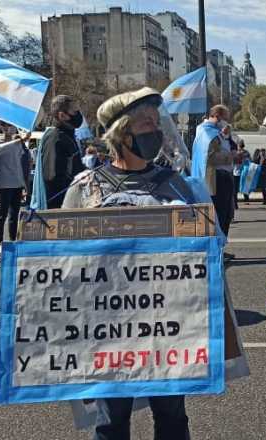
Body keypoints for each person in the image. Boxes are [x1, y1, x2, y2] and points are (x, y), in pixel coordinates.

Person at [61, 87, 194, 440]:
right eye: (146, 123)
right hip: (108, 325)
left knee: (172, 415)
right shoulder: (86, 189)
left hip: (166, 323)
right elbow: (64, 262)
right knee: (110, 419)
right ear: (122, 133)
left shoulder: (176, 186)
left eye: (156, 122)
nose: (156, 131)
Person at [39, 95, 85, 208]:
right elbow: (52, 176)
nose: (78, 115)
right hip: (60, 205)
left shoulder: (67, 136)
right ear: (62, 115)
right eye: (74, 111)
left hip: (71, 200)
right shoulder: (55, 138)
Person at [0, 123, 29, 249]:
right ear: (1, 128)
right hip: (4, 183)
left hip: (17, 183)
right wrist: (18, 141)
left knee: (14, 214)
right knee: (2, 214)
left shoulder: (18, 143)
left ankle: (13, 240)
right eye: (5, 126)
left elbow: (19, 165)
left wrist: (24, 184)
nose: (8, 128)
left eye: (11, 126)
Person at [202, 106, 237, 239]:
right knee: (220, 215)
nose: (227, 122)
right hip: (216, 179)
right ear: (217, 116)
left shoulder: (217, 133)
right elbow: (210, 157)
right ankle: (218, 245)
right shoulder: (208, 132)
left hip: (222, 177)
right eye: (225, 118)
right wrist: (231, 157)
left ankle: (221, 244)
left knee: (225, 215)